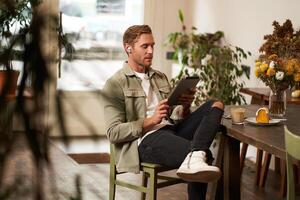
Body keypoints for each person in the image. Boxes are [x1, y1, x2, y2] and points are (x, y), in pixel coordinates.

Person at [103, 25, 224, 199]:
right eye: (145, 46)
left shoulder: (159, 77)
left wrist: (185, 106)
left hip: (170, 130)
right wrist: (152, 120)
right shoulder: (115, 83)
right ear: (128, 48)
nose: (151, 51)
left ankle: (195, 155)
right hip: (144, 140)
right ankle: (196, 155)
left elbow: (174, 115)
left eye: (152, 45)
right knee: (205, 156)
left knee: (215, 104)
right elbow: (113, 133)